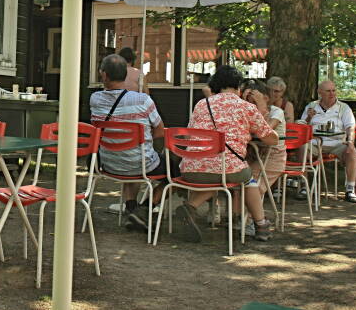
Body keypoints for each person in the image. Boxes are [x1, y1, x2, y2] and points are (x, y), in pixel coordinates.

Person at [175, 66, 278, 243]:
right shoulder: (246, 107)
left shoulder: (201, 104)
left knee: (217, 172)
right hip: (226, 168)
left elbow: (187, 134)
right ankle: (261, 225)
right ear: (238, 86)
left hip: (190, 168)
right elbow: (270, 139)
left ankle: (191, 208)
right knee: (247, 179)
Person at [90, 53, 166, 232]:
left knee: (129, 157)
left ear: (104, 75)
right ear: (126, 75)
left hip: (108, 163)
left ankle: (131, 209)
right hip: (140, 162)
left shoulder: (95, 99)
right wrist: (143, 142)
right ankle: (144, 209)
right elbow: (160, 130)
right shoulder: (143, 100)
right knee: (175, 173)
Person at [234, 79, 287, 239]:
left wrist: (261, 107)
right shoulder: (246, 111)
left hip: (273, 158)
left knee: (253, 185)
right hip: (254, 156)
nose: (250, 105)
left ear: (265, 97)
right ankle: (239, 218)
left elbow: (264, 132)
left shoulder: (276, 111)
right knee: (239, 182)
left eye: (253, 101)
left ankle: (250, 221)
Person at [298, 80, 356, 203]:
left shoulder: (344, 107)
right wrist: (309, 117)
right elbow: (302, 127)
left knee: (352, 152)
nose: (332, 94)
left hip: (336, 143)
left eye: (333, 90)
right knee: (302, 148)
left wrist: (350, 142)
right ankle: (304, 187)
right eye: (328, 91)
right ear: (320, 92)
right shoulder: (312, 106)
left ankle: (350, 189)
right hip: (315, 143)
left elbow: (350, 127)